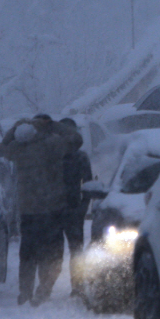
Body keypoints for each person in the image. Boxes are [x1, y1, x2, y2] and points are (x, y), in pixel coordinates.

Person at [0, 114, 81, 306]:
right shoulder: (52, 145)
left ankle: (25, 291)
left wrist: (17, 125)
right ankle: (44, 289)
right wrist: (54, 126)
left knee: (28, 253)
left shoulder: (18, 149)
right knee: (52, 253)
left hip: (28, 211)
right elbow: (76, 140)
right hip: (52, 208)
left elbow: (3, 146)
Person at [57, 117, 94, 299]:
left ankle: (77, 286)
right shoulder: (54, 155)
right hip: (60, 209)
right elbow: (88, 185)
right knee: (63, 251)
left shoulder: (79, 157)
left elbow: (88, 184)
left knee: (74, 251)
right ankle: (51, 285)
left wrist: (82, 207)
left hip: (66, 209)